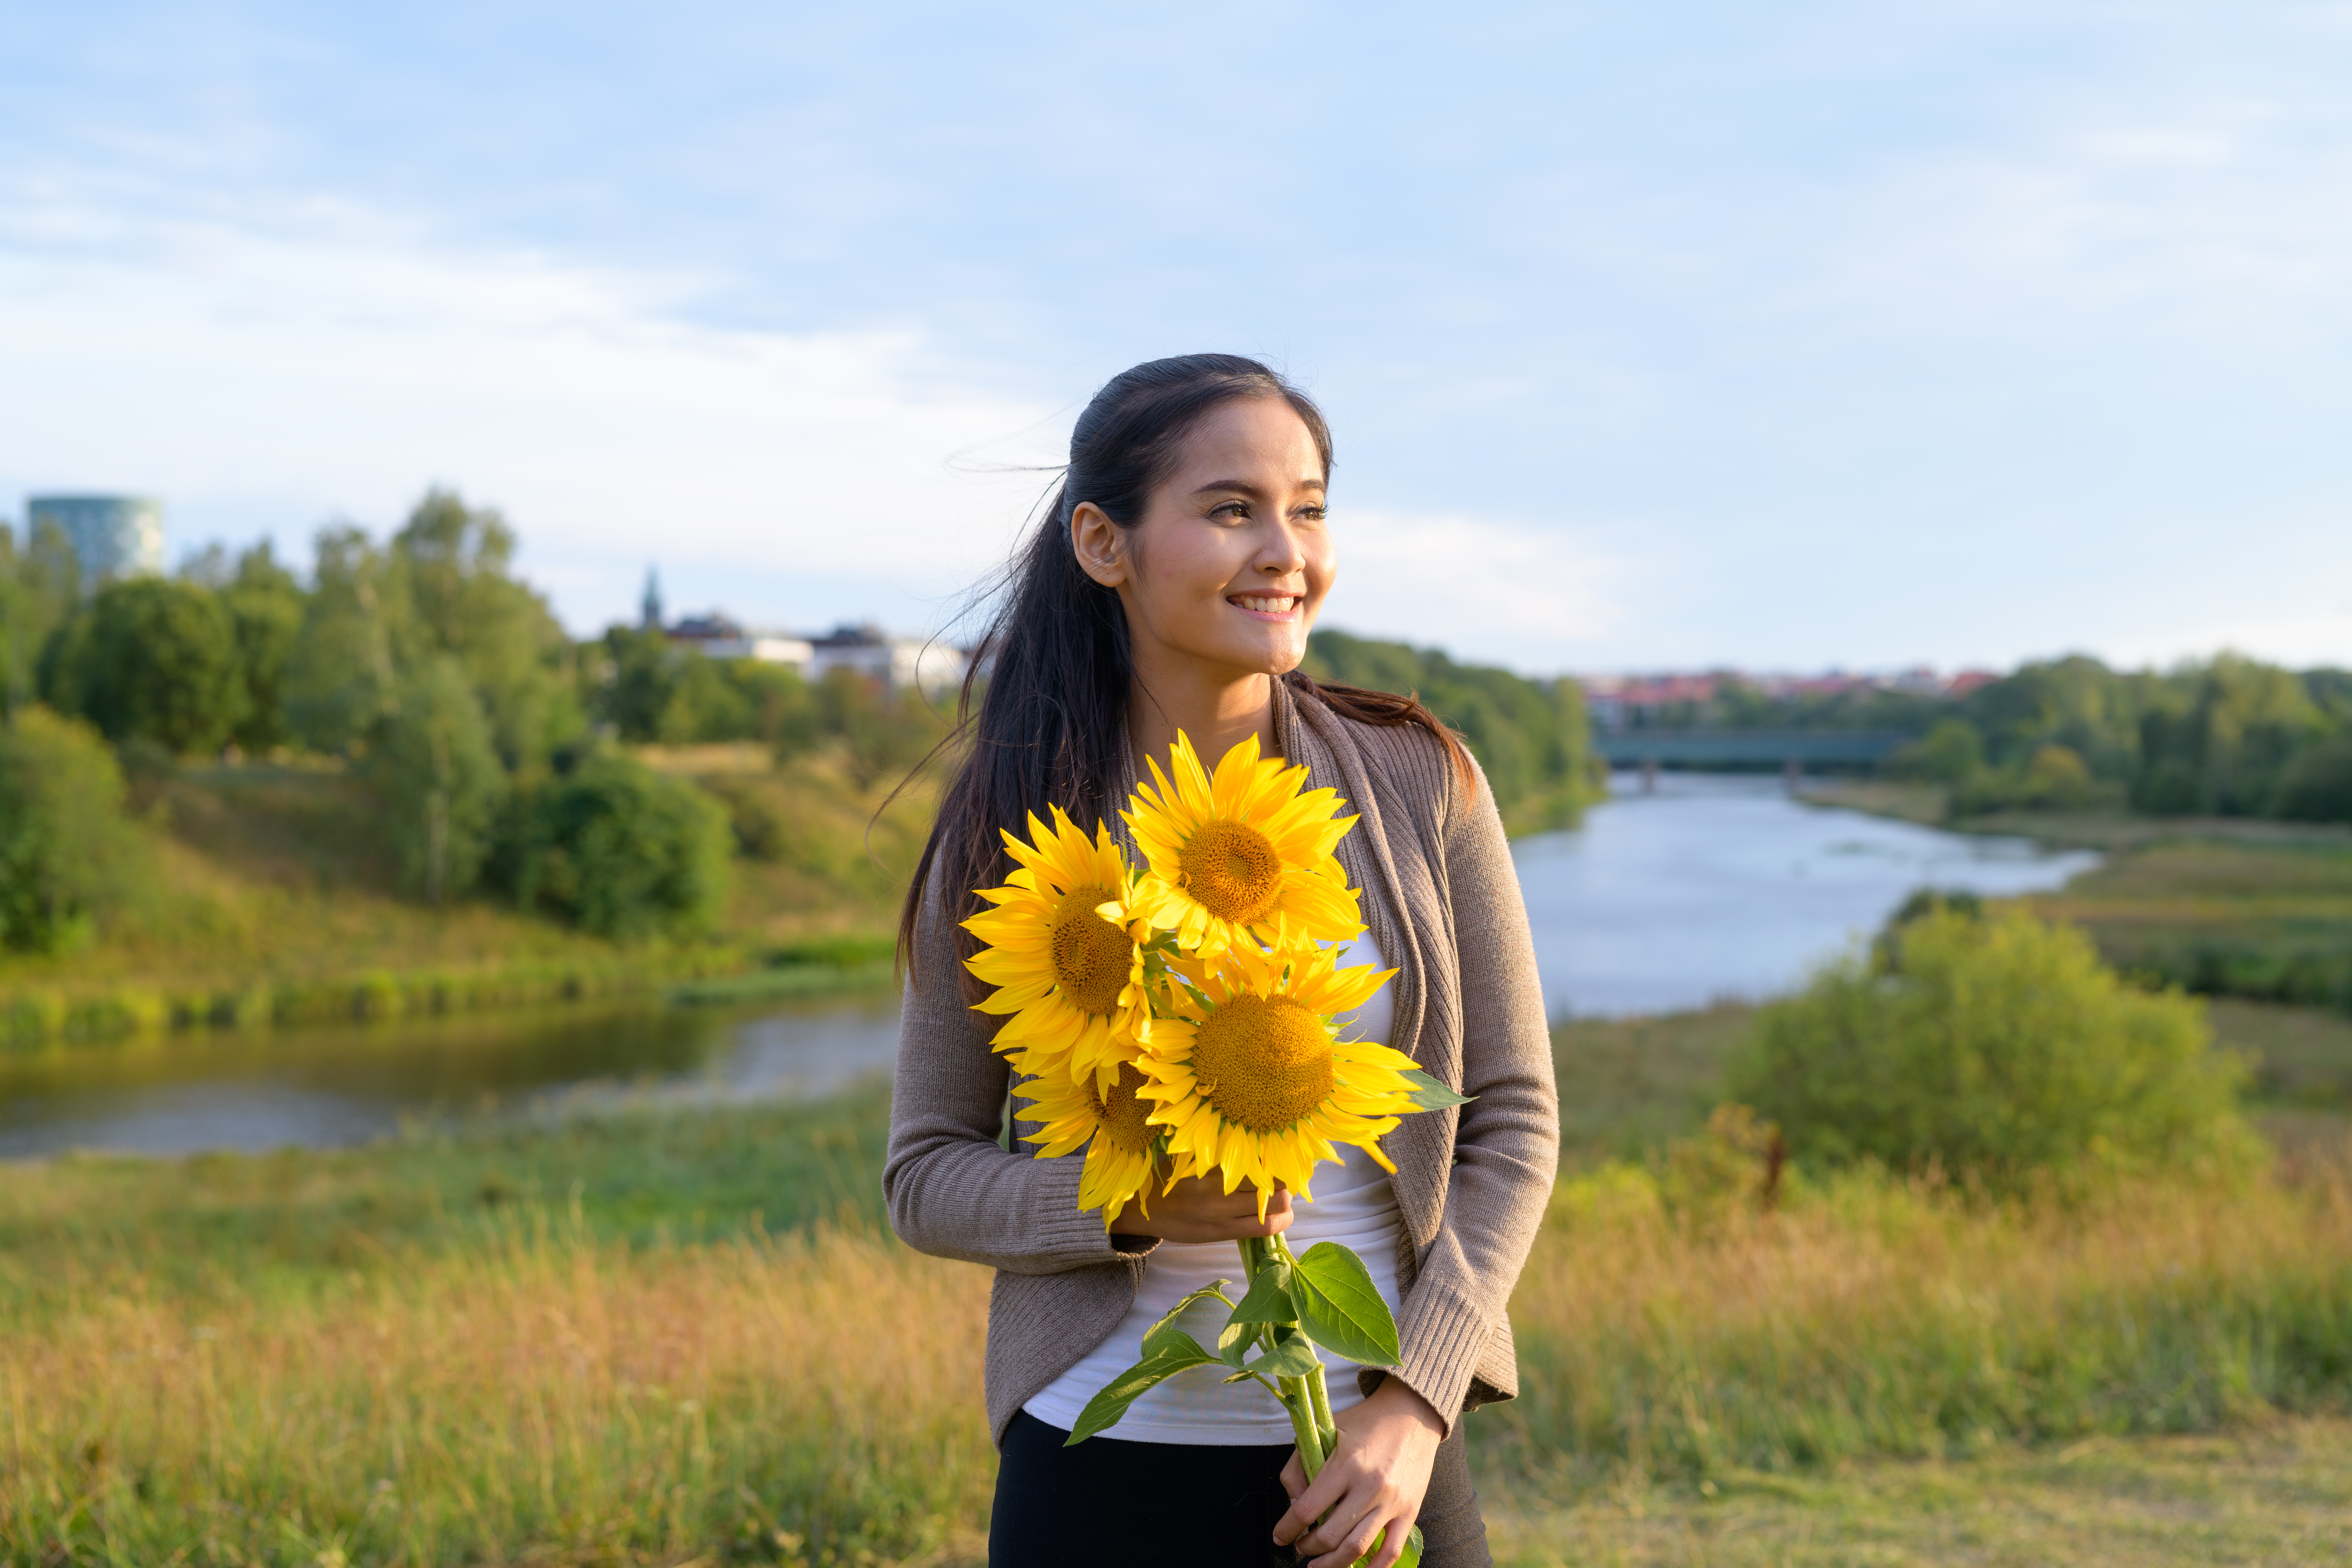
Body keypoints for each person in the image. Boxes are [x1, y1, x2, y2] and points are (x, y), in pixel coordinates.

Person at [885, 354, 1557, 1568]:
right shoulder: (1011, 828)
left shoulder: (1421, 780)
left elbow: (1512, 1118)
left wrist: (1415, 1400)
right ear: (1105, 542)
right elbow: (924, 1175)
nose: (1285, 550)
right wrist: (1123, 1205)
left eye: (1307, 508)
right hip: (1100, 1467)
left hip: (1379, 1464)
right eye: (1231, 508)